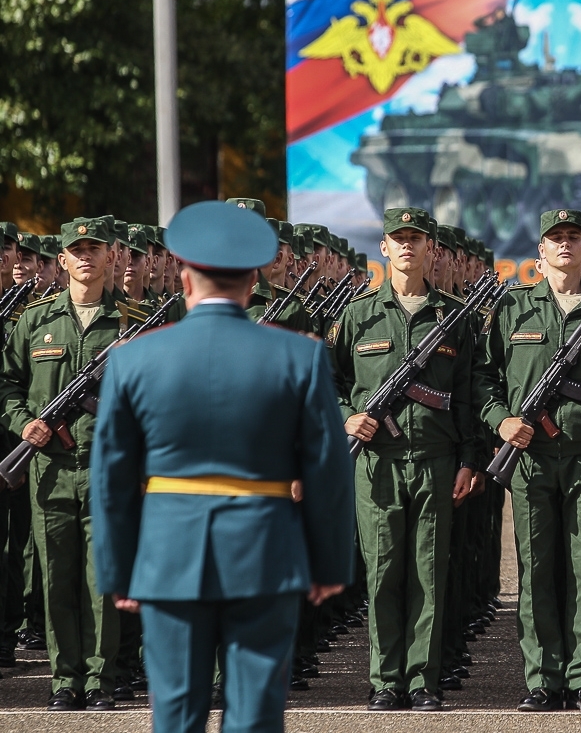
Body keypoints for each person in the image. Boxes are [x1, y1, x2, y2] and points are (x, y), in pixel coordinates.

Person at [87, 201, 354, 732]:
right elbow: (327, 469)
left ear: (184, 278)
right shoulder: (298, 357)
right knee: (255, 715)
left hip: (168, 555)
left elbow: (112, 477)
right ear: (253, 282)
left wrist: (118, 570)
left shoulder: (133, 358)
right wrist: (328, 566)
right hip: (265, 552)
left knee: (177, 714)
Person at [473, 208, 581, 713]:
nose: (565, 244)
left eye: (573, 237)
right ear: (540, 251)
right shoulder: (514, 309)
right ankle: (542, 678)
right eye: (555, 237)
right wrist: (500, 420)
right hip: (531, 458)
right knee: (537, 568)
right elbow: (483, 379)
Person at [330, 207, 476, 711]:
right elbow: (329, 384)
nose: (408, 247)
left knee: (428, 571)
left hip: (435, 458)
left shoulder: (457, 317)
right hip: (377, 461)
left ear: (431, 250)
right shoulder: (357, 315)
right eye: (399, 239)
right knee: (384, 570)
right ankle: (385, 679)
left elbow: (471, 393)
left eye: (417, 239)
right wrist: (348, 416)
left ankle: (421, 680)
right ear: (384, 248)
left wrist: (468, 460)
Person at [0, 217, 127, 710]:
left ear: (110, 257)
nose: (86, 257)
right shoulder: (35, 320)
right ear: (63, 260)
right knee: (55, 577)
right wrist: (23, 423)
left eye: (95, 248)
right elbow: (8, 384)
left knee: (101, 579)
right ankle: (64, 679)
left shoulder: (130, 322)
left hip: (108, 468)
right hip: (49, 468)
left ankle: (100, 680)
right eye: (77, 250)